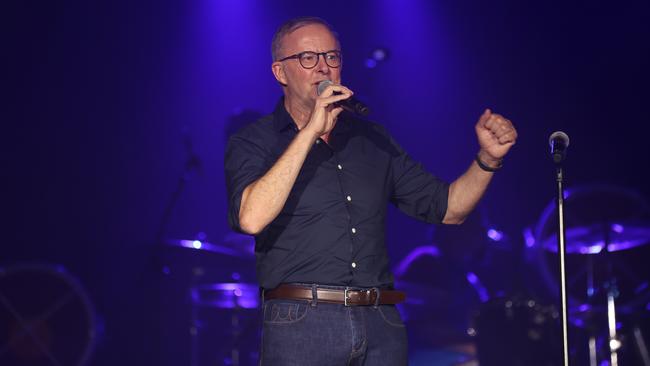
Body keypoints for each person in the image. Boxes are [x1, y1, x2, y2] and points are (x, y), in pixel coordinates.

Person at [225, 16, 517, 366]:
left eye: (332, 57)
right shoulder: (254, 141)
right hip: (303, 321)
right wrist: (310, 132)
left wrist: (487, 160)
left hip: (380, 320)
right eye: (308, 58)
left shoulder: (370, 139)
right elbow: (251, 217)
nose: (323, 68)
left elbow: (449, 208)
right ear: (280, 72)